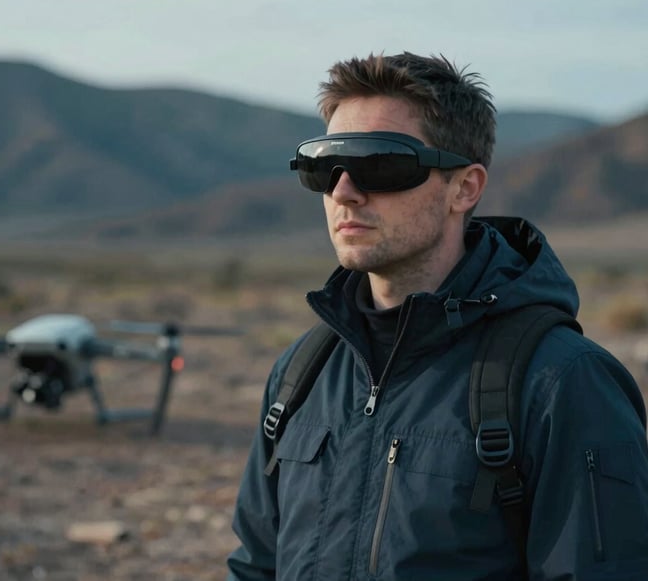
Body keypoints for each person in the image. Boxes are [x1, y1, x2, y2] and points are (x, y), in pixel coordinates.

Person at [226, 52, 648, 580]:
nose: (343, 192)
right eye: (322, 167)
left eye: (380, 163)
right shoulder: (302, 373)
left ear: (464, 187)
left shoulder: (561, 381)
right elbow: (255, 565)